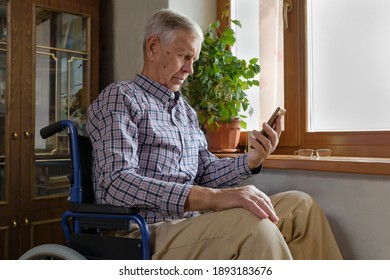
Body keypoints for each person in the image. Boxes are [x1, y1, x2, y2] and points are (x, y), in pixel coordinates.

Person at [87, 9, 342, 260]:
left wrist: (251, 160)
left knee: (300, 207)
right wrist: (215, 198)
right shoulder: (121, 97)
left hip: (189, 224)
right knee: (250, 226)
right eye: (184, 56)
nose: (190, 69)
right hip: (140, 231)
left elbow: (205, 171)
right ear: (152, 47)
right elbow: (116, 184)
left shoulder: (184, 111)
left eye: (193, 60)